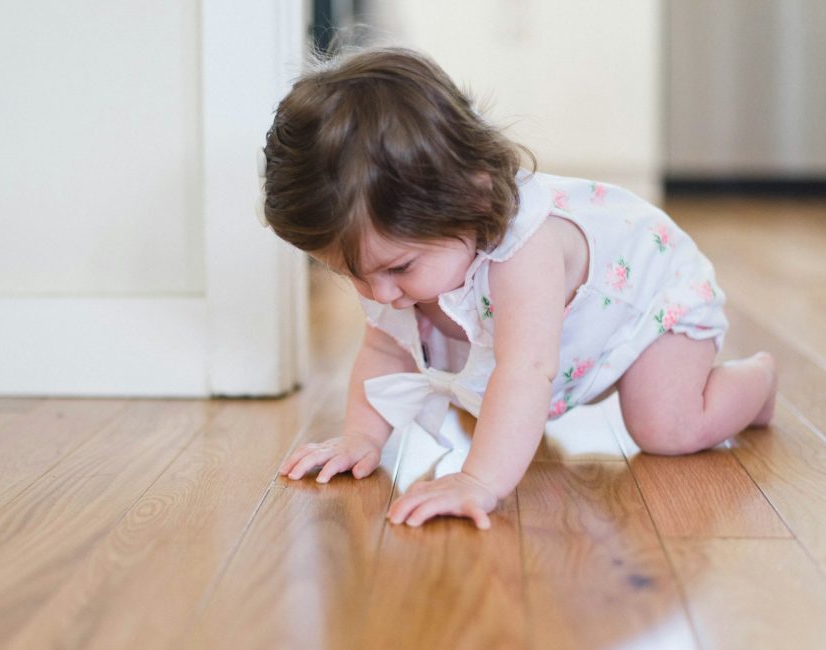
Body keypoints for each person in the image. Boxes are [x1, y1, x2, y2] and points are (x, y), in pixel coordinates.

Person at [261, 47, 777, 530]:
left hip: (648, 301)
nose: (377, 292)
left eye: (398, 269)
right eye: (352, 274)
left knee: (666, 429)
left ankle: (757, 384)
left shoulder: (525, 254)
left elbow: (527, 368)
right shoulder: (394, 259)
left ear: (472, 195)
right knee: (468, 382)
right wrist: (361, 438)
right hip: (573, 326)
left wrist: (479, 480)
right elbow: (385, 350)